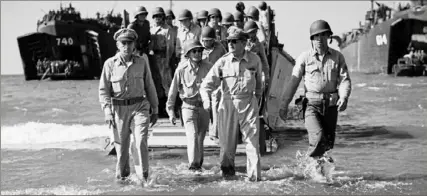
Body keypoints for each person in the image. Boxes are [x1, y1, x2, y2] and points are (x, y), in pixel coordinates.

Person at [278, 20, 351, 177]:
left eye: (322, 35)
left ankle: (319, 173)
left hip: (331, 106)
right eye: (316, 36)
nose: (319, 39)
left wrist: (344, 97)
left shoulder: (337, 57)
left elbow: (344, 79)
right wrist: (284, 104)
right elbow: (293, 81)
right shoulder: (304, 57)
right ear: (311, 39)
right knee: (318, 138)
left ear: (328, 37)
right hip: (311, 106)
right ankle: (311, 168)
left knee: (327, 144)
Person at [200, 27, 263, 181]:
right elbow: (205, 85)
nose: (230, 44)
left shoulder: (255, 59)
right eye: (228, 41)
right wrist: (207, 101)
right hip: (228, 104)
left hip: (248, 102)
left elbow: (260, 86)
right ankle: (228, 177)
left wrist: (259, 105)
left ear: (243, 42)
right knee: (227, 147)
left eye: (234, 41)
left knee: (253, 144)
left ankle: (255, 180)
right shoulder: (223, 62)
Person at [99, 28, 159, 183]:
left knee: (140, 141)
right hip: (119, 110)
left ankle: (144, 178)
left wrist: (155, 108)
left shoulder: (141, 62)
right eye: (123, 43)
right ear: (118, 45)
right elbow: (104, 90)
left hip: (140, 107)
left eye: (129, 42)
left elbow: (149, 85)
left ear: (134, 44)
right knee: (122, 150)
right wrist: (107, 111)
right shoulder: (109, 64)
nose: (126, 46)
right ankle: (123, 180)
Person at [166, 39, 213, 172]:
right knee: (192, 136)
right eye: (194, 51)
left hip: (204, 108)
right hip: (188, 107)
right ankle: (193, 167)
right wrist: (170, 112)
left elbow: (216, 87)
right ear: (188, 53)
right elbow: (173, 92)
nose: (198, 53)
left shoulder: (209, 67)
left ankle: (199, 165)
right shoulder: (181, 69)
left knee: (200, 138)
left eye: (200, 50)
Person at [200, 26, 227, 142]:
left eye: (210, 40)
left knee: (215, 105)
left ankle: (214, 132)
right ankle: (202, 129)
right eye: (205, 40)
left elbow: (226, 60)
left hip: (216, 81)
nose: (207, 43)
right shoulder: (198, 49)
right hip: (202, 81)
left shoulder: (220, 48)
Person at [149, 7, 173, 100]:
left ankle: (169, 104)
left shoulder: (167, 29)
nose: (157, 18)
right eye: (155, 16)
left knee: (165, 82)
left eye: (159, 16)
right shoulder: (151, 28)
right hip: (153, 58)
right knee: (154, 81)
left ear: (163, 17)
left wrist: (167, 61)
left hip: (163, 58)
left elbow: (169, 47)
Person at [244, 20, 270, 87]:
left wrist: (266, 76)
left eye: (254, 32)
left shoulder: (259, 45)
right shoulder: (242, 43)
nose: (253, 34)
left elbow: (264, 61)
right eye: (251, 32)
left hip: (255, 74)